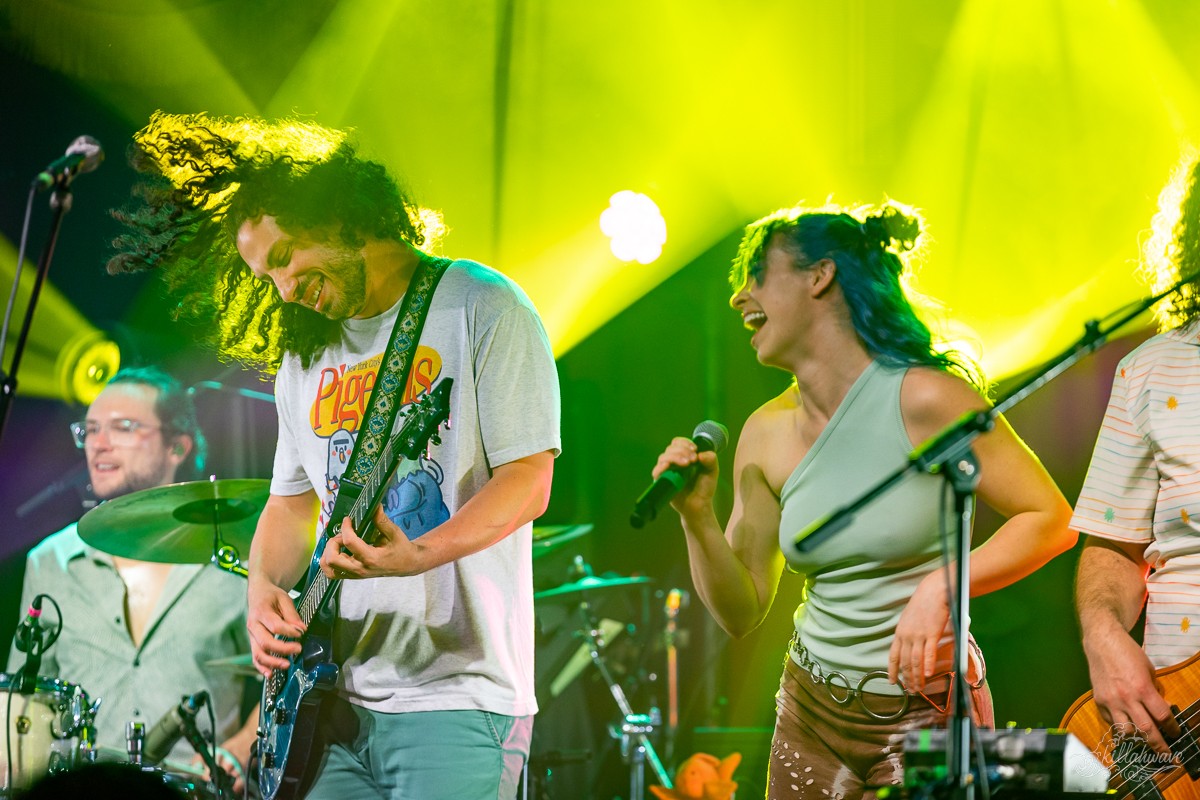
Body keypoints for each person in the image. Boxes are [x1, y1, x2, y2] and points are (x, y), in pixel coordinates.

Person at [106, 111, 561, 799]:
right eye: (266, 277)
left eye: (285, 258)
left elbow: (529, 481)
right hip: (328, 702)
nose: (284, 289)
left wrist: (420, 552)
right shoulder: (304, 353)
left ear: (340, 217)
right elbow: (291, 506)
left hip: (456, 697)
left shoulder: (482, 306)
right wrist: (261, 592)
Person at [651, 201, 1076, 799]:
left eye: (756, 276)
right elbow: (740, 611)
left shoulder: (927, 398)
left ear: (819, 276)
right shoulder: (764, 432)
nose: (737, 298)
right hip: (809, 710)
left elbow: (1052, 519)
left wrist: (942, 587)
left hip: (927, 711)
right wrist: (696, 519)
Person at [6, 366, 258, 792]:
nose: (98, 445)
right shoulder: (49, 560)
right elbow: (22, 700)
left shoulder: (236, 559)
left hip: (193, 790)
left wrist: (239, 747)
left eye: (123, 428)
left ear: (178, 445)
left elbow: (284, 682)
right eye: (90, 430)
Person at [1073, 156, 1200, 756]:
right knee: (1022, 774)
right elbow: (1113, 545)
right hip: (1178, 714)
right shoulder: (1149, 368)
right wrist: (1102, 636)